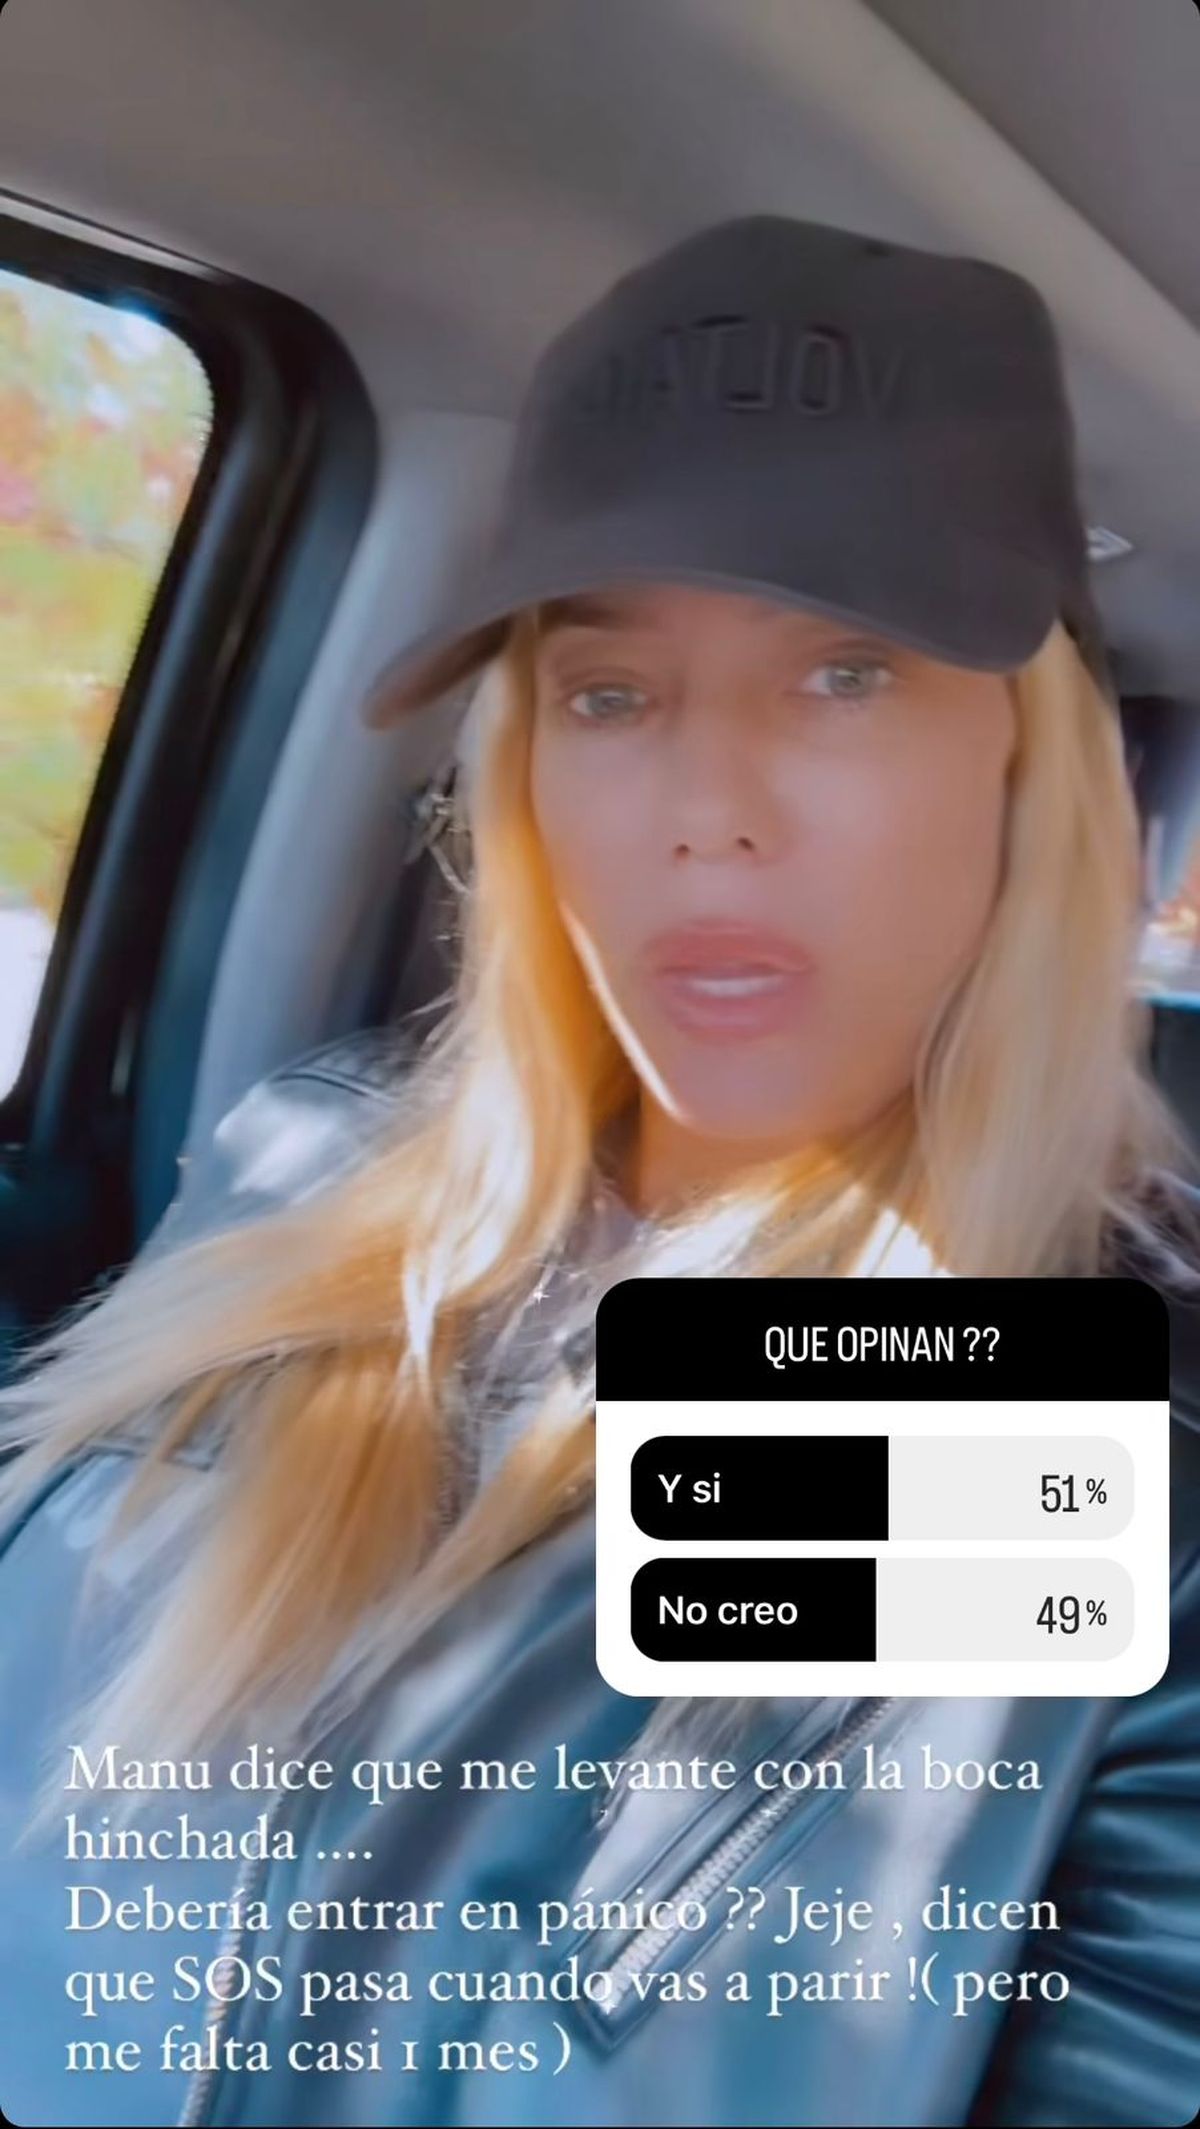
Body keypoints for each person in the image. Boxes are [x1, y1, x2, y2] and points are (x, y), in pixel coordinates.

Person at [2, 214, 1199, 2129]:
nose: (708, 813)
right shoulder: (300, 1157)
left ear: (1027, 769)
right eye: (612, 695)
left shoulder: (1133, 1473)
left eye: (848, 676)